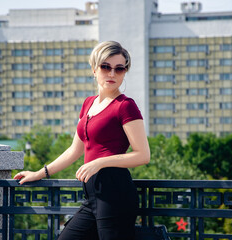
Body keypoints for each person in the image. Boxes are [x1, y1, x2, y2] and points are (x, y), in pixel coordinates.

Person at [14, 40, 150, 240]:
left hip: (115, 195)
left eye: (119, 69)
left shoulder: (125, 106)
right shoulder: (88, 103)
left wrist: (100, 162)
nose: (112, 74)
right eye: (106, 67)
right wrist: (40, 173)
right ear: (94, 69)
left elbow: (143, 155)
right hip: (92, 197)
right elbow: (74, 150)